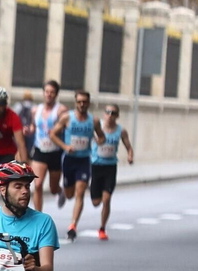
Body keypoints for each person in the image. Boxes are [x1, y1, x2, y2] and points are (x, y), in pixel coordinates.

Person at [49, 89, 104, 242]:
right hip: (69, 160)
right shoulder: (67, 118)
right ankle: (62, 192)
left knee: (80, 193)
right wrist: (65, 147)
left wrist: (98, 142)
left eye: (84, 102)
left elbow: (101, 137)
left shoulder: (94, 121)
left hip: (84, 160)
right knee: (70, 194)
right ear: (75, 103)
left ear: (88, 103)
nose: (82, 104)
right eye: (79, 102)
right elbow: (52, 134)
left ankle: (73, 226)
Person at [83, 105, 135, 239]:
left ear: (117, 116)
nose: (110, 115)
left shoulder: (121, 131)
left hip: (110, 167)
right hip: (96, 166)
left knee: (107, 199)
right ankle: (95, 190)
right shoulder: (97, 126)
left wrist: (130, 156)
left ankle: (102, 228)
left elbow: (129, 147)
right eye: (108, 112)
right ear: (104, 114)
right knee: (96, 202)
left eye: (113, 113)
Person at [27, 80, 66, 212]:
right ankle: (39, 217)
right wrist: (29, 130)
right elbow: (34, 126)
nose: (49, 95)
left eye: (52, 92)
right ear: (43, 93)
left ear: (56, 94)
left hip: (55, 152)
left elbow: (66, 128)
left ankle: (60, 191)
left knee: (53, 188)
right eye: (47, 92)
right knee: (37, 185)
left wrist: (57, 131)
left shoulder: (61, 110)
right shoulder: (35, 110)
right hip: (40, 150)